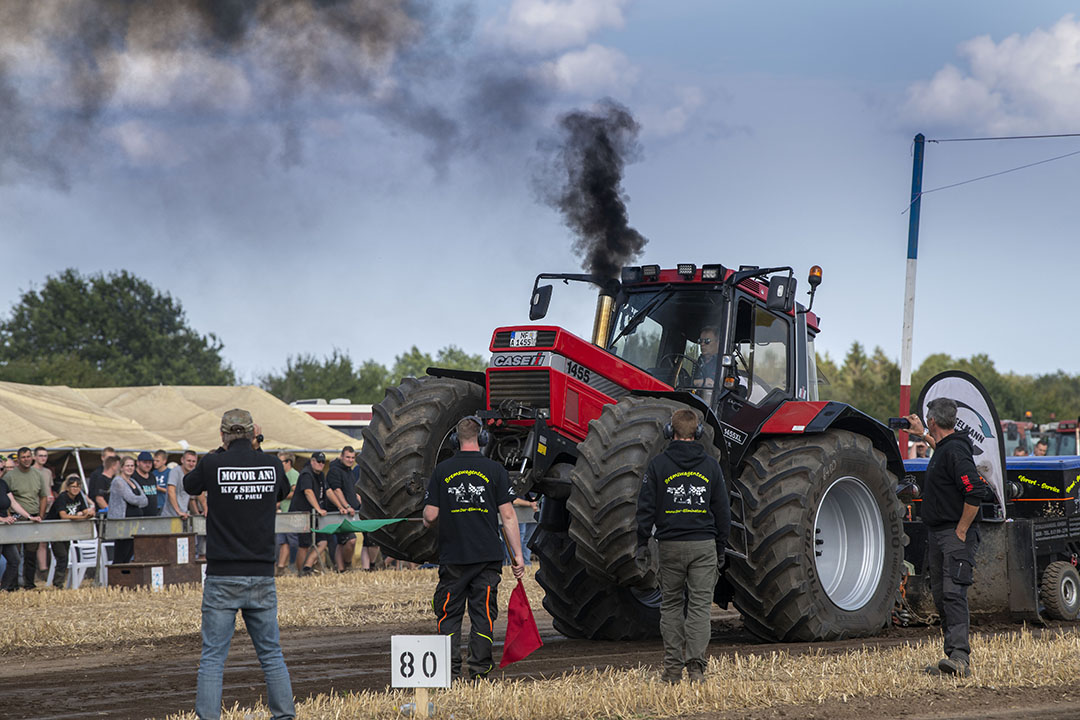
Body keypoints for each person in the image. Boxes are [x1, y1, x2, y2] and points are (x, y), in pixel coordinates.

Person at [182, 408, 294, 720]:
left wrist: (221, 451)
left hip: (222, 574)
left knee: (213, 659)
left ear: (222, 435)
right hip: (260, 572)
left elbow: (190, 484)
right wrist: (256, 447)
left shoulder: (213, 462)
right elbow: (284, 490)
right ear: (252, 434)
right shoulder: (271, 463)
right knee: (271, 655)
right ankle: (284, 716)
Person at [423, 416, 525, 682]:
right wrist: (518, 556)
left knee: (448, 614)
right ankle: (480, 672)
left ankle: (449, 674)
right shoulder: (495, 470)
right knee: (483, 615)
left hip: (453, 557)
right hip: (487, 557)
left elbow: (431, 516)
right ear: (482, 439)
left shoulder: (442, 470)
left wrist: (432, 517)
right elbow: (509, 516)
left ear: (456, 440)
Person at [635, 408, 730, 684]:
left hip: (670, 546)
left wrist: (642, 542)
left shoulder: (658, 465)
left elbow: (645, 508)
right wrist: (721, 546)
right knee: (699, 608)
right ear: (698, 433)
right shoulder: (711, 466)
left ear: (670, 432)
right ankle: (696, 670)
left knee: (672, 606)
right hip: (703, 546)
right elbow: (723, 511)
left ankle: (671, 672)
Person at [906, 398, 992, 677]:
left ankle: (960, 659)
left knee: (954, 595)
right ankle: (951, 658)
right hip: (940, 534)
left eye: (927, 421)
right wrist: (921, 435)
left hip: (954, 535)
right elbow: (941, 447)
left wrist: (961, 531)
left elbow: (975, 492)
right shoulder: (947, 448)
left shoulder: (956, 452)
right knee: (943, 597)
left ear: (933, 420)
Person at [6, 447, 48, 589]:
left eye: (28, 456)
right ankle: (12, 585)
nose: (26, 459)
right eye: (23, 457)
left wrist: (41, 515)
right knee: (15, 554)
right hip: (16, 518)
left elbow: (43, 496)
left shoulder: (38, 474)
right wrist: (8, 516)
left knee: (31, 553)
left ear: (32, 457)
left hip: (34, 516)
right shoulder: (10, 476)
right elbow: (6, 499)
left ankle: (29, 583)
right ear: (18, 459)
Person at [45, 475, 95, 588]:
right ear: (67, 488)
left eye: (78, 487)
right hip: (54, 530)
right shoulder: (62, 497)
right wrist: (82, 518)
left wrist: (89, 513)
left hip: (66, 530)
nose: (75, 489)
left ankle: (59, 583)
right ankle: (58, 584)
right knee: (61, 556)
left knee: (65, 556)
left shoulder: (79, 497)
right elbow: (63, 515)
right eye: (73, 487)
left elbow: (85, 510)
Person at [0, 465, 43, 592]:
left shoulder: (2, 484)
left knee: (14, 560)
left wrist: (29, 516)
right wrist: (2, 519)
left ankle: (3, 590)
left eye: (2, 469)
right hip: (2, 524)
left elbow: (14, 503)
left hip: (4, 529)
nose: (1, 472)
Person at [292, 453, 330, 576]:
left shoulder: (321, 475)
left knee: (323, 542)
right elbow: (308, 491)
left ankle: (307, 567)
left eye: (323, 462)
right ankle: (300, 573)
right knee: (304, 545)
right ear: (312, 461)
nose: (321, 464)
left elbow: (327, 491)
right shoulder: (306, 474)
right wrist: (318, 508)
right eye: (318, 461)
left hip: (315, 515)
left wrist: (342, 506)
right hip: (303, 514)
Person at [325, 446, 359, 573]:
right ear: (341, 457)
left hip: (349, 512)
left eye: (352, 457)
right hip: (340, 512)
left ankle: (340, 569)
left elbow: (351, 491)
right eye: (348, 457)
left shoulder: (349, 471)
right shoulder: (335, 470)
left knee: (341, 542)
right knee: (351, 540)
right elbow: (336, 490)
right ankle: (348, 564)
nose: (350, 460)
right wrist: (346, 506)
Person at [108, 456, 148, 564]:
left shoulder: (133, 481)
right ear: (121, 467)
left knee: (129, 553)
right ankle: (115, 579)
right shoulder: (118, 481)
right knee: (121, 553)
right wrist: (138, 500)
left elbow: (145, 500)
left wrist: (138, 500)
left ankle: (124, 578)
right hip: (123, 523)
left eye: (132, 466)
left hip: (135, 523)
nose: (130, 468)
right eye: (127, 466)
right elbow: (132, 499)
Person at [274, 452, 299, 576]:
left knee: (292, 541)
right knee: (282, 541)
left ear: (288, 462)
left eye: (281, 462)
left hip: (291, 512)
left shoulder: (293, 474)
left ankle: (293, 564)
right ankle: (281, 568)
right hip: (283, 512)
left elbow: (295, 492)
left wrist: (279, 499)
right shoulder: (283, 475)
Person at [162, 451, 198, 519]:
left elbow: (197, 495)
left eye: (193, 461)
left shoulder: (193, 474)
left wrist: (205, 510)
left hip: (184, 515)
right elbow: (171, 491)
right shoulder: (175, 471)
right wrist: (178, 511)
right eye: (188, 461)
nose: (191, 464)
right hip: (170, 516)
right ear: (182, 460)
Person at [134, 451, 159, 516]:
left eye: (150, 463)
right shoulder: (133, 477)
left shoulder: (152, 476)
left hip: (153, 515)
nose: (148, 465)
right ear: (138, 463)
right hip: (139, 516)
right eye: (145, 462)